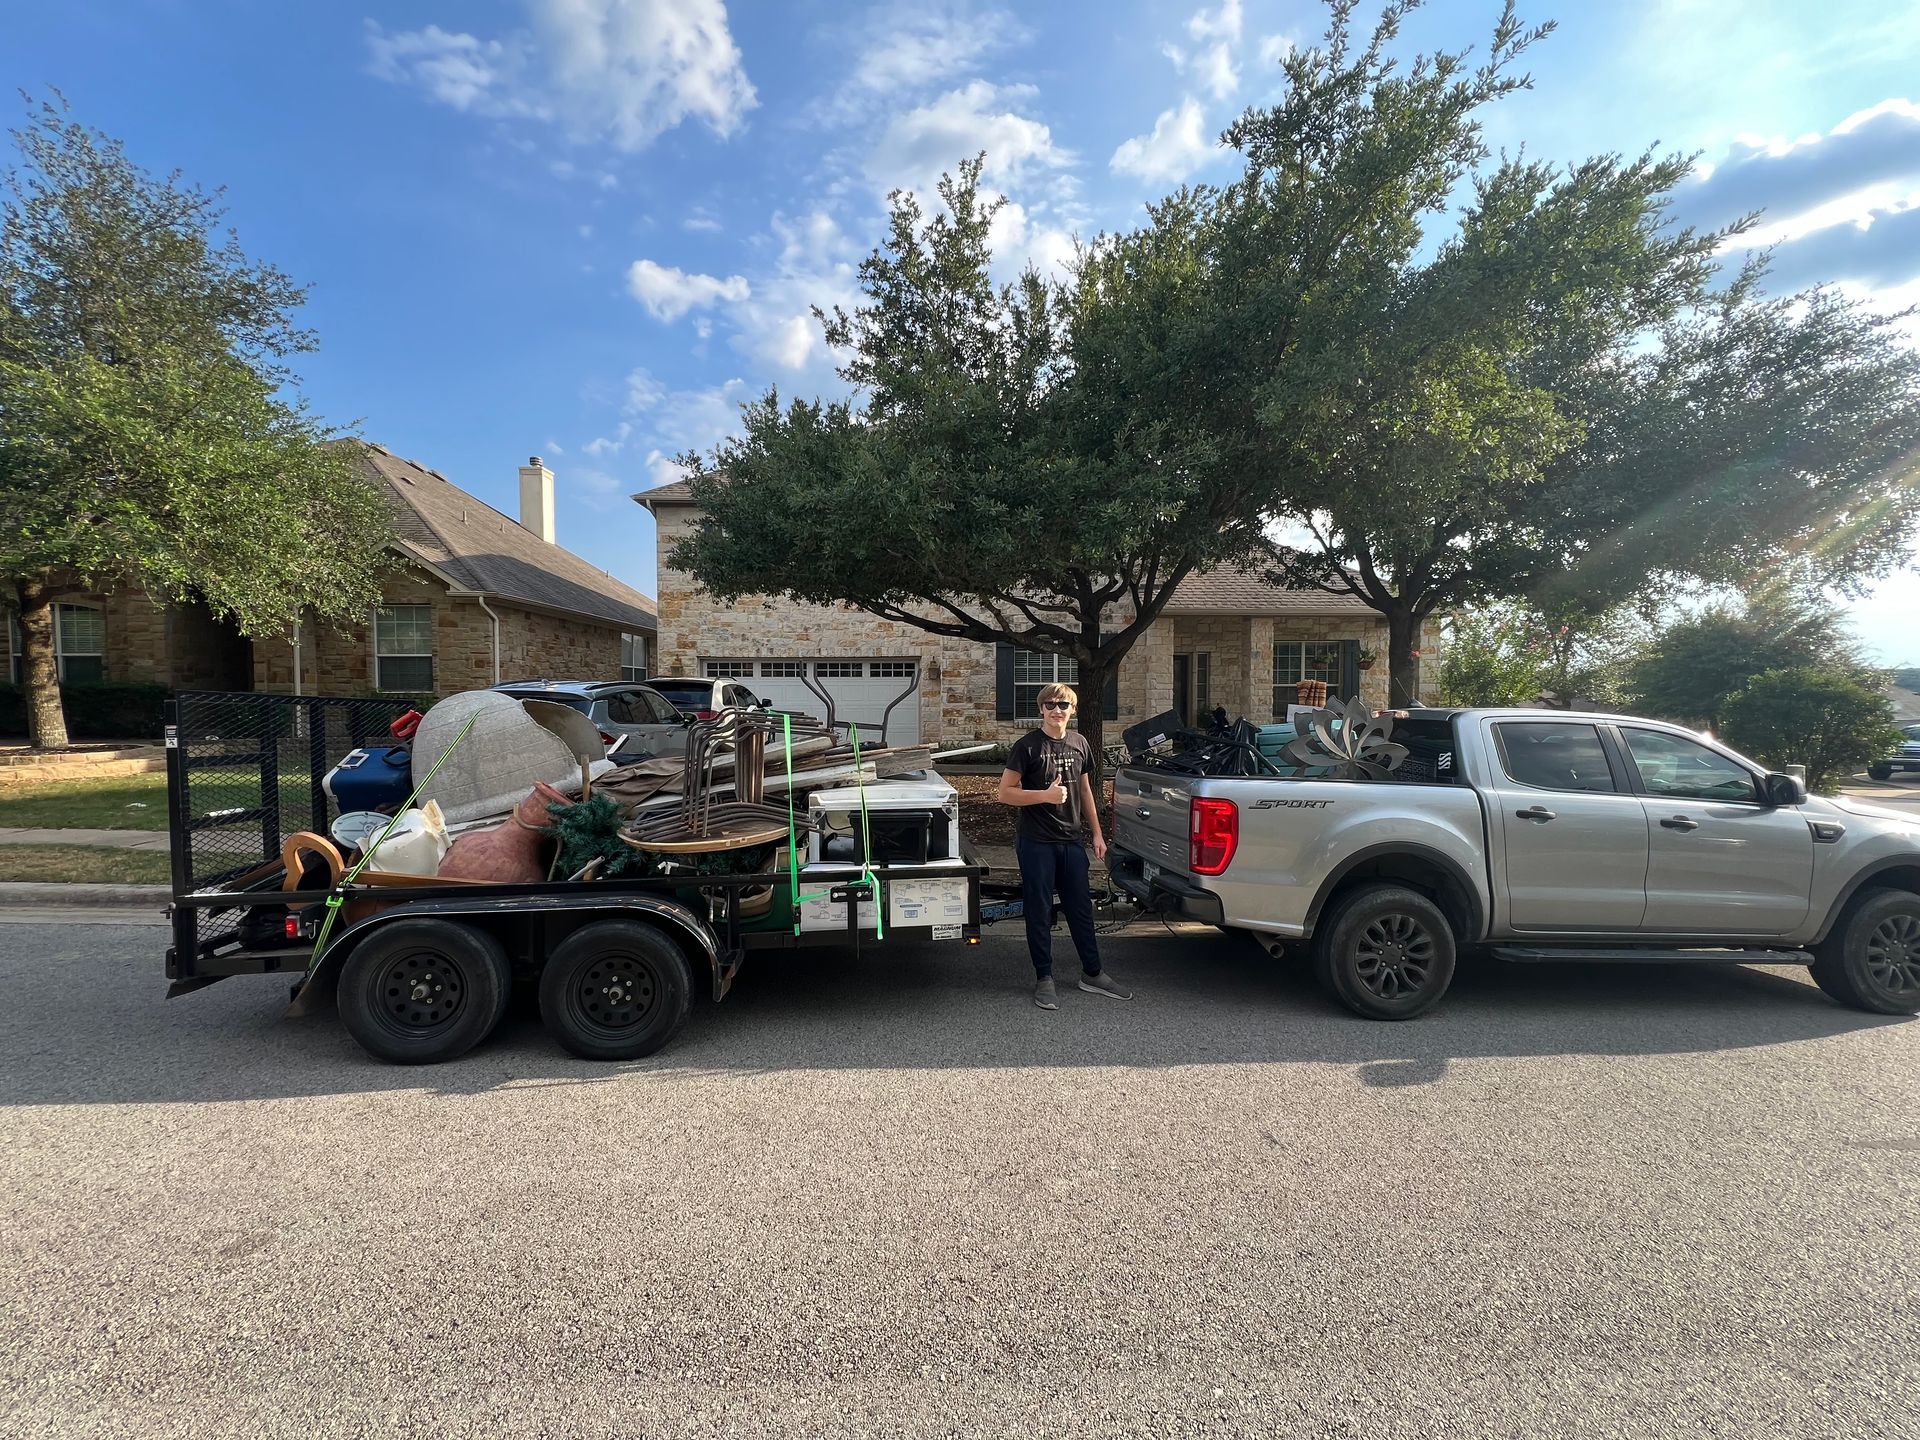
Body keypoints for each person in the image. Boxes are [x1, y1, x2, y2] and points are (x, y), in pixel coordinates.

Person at [996, 682, 1131, 1009]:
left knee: (1080, 909)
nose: (1057, 710)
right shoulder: (1027, 746)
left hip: (1071, 841)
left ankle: (1093, 973)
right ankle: (1044, 977)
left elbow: (1085, 791)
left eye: (1064, 705)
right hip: (1036, 842)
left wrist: (1097, 834)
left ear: (1073, 710)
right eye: (1051, 705)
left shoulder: (1079, 743)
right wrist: (1045, 795)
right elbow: (1005, 793)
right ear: (1041, 709)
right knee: (1039, 910)